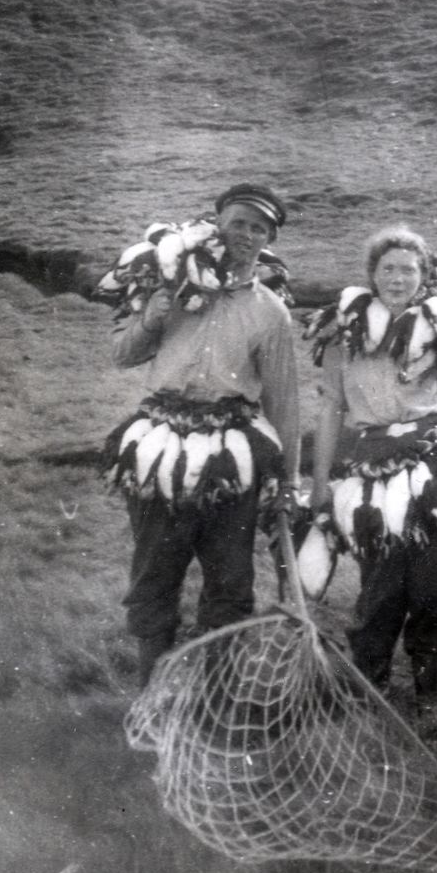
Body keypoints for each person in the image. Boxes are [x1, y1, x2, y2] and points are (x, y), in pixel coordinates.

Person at [101, 182, 301, 686]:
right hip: (162, 444)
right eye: (238, 223)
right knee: (154, 574)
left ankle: (217, 696)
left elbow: (282, 402)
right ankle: (151, 696)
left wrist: (288, 481)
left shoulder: (270, 312)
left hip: (231, 454)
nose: (246, 235)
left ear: (269, 239)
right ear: (218, 226)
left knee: (230, 583)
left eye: (259, 229)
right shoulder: (171, 286)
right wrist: (151, 318)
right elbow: (122, 355)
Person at [307, 225, 437, 715]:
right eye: (387, 268)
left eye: (408, 270)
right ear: (371, 273)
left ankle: (431, 699)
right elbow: (331, 410)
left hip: (434, 466)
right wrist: (320, 482)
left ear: (423, 274)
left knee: (431, 588)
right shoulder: (344, 332)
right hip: (372, 469)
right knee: (380, 588)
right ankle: (369, 693)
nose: (397, 278)